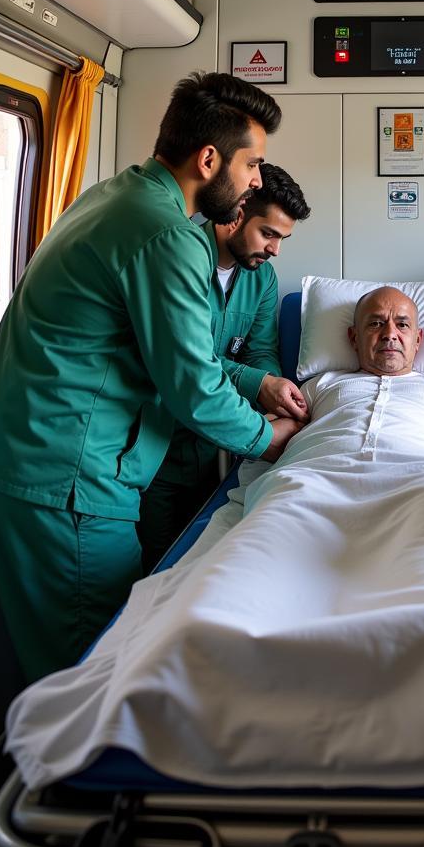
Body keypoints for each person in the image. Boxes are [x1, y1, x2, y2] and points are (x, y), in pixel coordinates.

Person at [3, 285, 424, 799]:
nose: (388, 334)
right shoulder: (314, 387)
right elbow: (266, 436)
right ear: (350, 338)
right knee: (222, 592)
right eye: (374, 323)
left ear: (421, 339)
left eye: (400, 324)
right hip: (309, 486)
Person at [0, 71, 304, 681]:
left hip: (29, 457)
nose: (256, 180)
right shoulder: (169, 235)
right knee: (92, 675)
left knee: (64, 663)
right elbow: (194, 386)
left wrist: (256, 387)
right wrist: (269, 438)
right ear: (210, 159)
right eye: (253, 164)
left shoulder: (114, 196)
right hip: (69, 478)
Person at [138, 162, 311, 571]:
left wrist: (268, 388)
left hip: (212, 440)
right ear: (237, 213)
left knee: (197, 559)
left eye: (282, 238)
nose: (274, 250)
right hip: (156, 440)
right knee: (157, 564)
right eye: (268, 234)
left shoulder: (261, 278)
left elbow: (260, 350)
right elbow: (190, 359)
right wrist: (258, 383)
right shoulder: (182, 257)